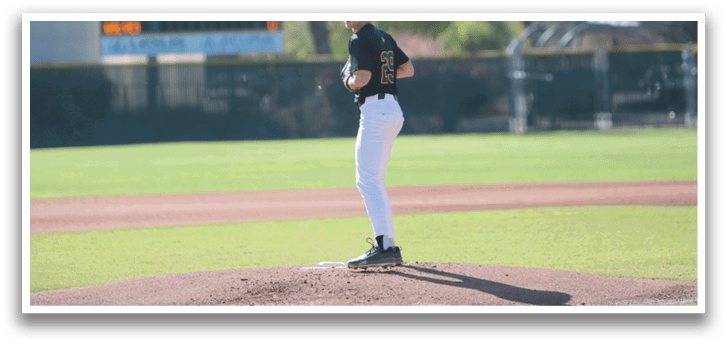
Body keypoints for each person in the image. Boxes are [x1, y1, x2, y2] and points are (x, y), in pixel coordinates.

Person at [340, 21, 415, 269]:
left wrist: (349, 80)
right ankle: (389, 245)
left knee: (366, 180)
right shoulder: (384, 36)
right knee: (376, 180)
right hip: (393, 110)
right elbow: (408, 69)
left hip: (375, 111)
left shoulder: (359, 38)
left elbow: (362, 78)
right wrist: (381, 75)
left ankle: (384, 247)